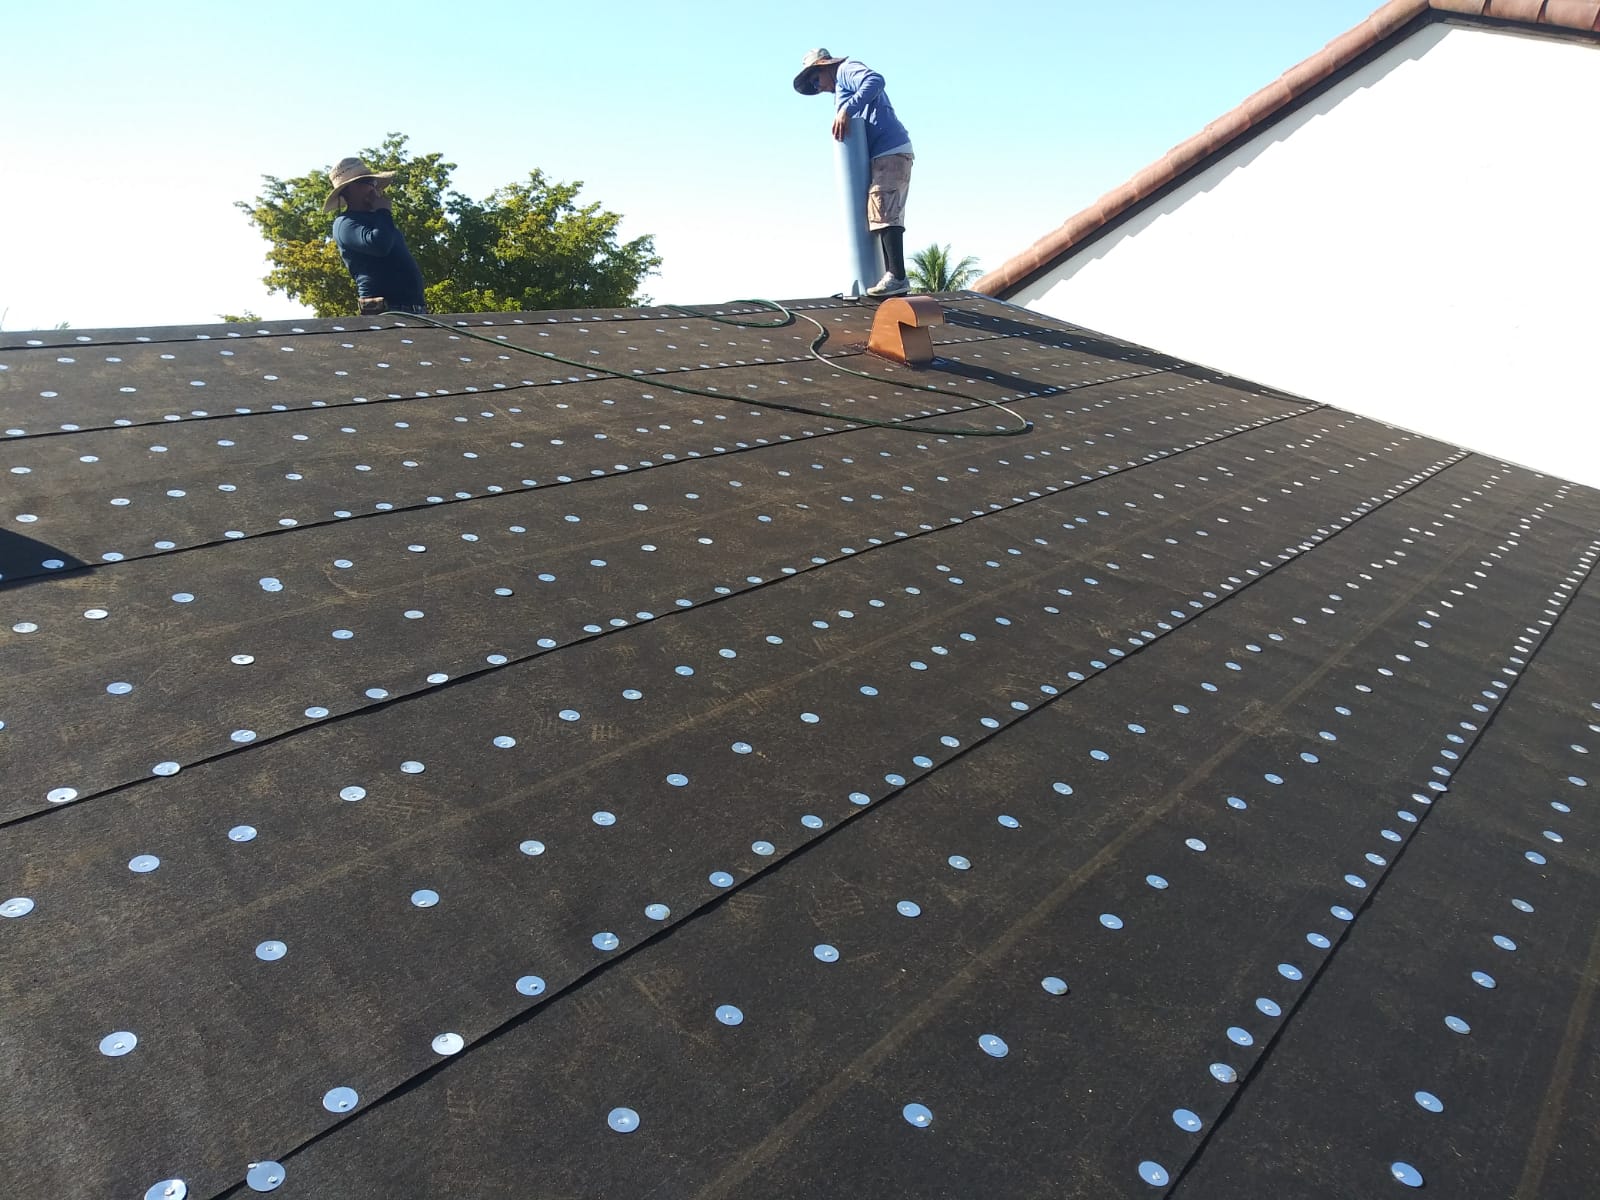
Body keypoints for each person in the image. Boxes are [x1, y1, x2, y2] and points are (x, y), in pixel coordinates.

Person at [794, 49, 914, 298]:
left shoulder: (846, 70)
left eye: (816, 80)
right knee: (876, 212)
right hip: (878, 155)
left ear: (824, 67)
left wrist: (846, 110)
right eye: (813, 87)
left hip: (889, 149)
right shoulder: (839, 85)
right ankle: (887, 275)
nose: (818, 87)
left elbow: (876, 80)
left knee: (883, 207)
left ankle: (897, 276)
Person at [322, 156, 428, 315]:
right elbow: (379, 245)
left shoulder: (379, 220)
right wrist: (384, 211)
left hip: (412, 310)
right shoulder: (345, 223)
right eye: (368, 182)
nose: (375, 188)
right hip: (383, 311)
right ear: (350, 189)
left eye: (374, 182)